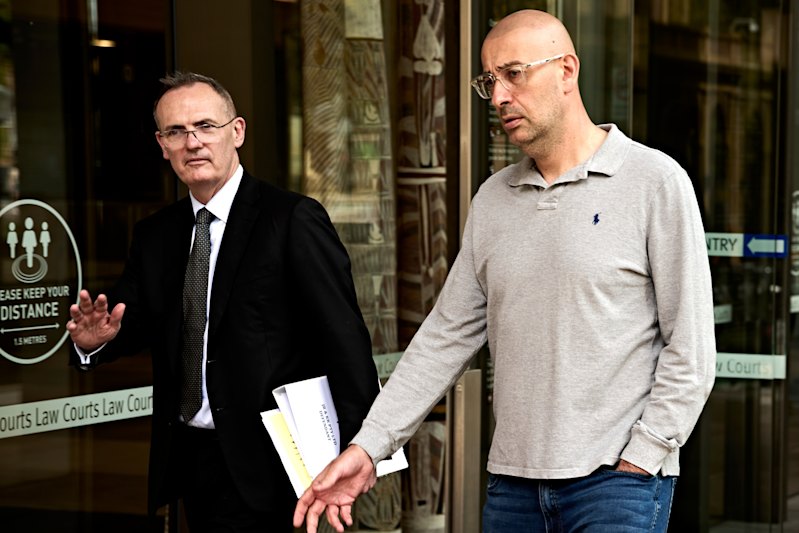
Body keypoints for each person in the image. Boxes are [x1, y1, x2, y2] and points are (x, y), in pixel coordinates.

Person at [294, 9, 715, 533]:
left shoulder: (654, 181)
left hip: (616, 485)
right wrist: (368, 447)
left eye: (514, 74)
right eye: (489, 81)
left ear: (566, 70)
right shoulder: (493, 199)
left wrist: (644, 456)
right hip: (513, 489)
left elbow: (690, 348)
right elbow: (444, 338)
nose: (498, 97)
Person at [66, 71, 379, 532]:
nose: (193, 142)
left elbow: (343, 339)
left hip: (275, 466)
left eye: (206, 126)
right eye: (177, 131)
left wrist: (363, 448)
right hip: (190, 459)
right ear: (162, 145)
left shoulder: (291, 218)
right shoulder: (155, 235)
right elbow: (131, 323)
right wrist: (93, 342)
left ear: (237, 132)